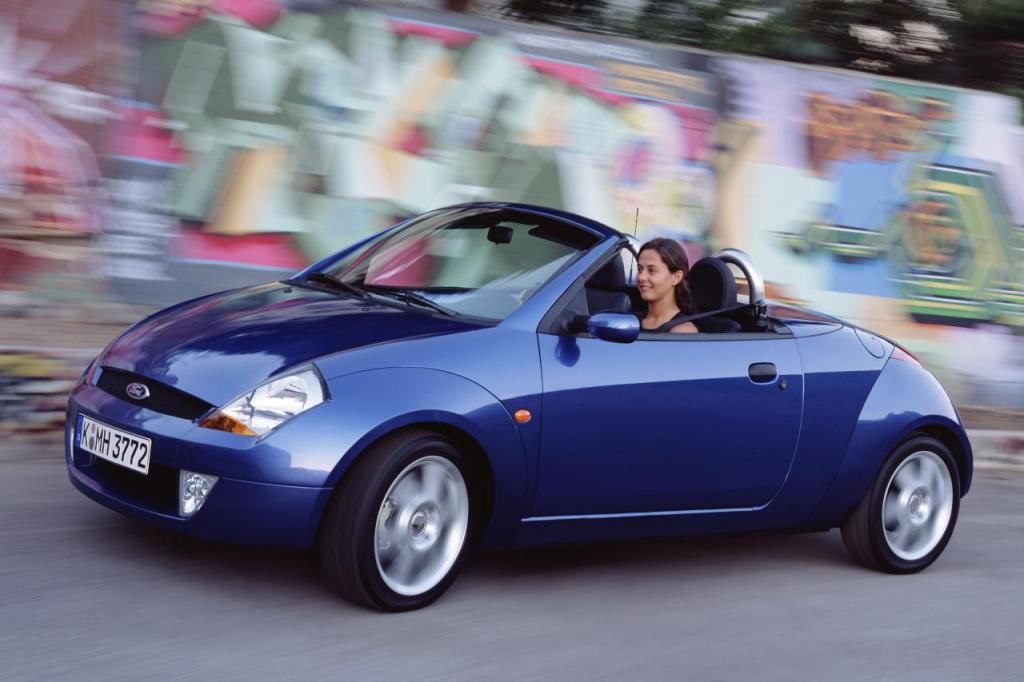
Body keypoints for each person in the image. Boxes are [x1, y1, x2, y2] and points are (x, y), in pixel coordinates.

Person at [636, 238, 698, 334]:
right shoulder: (631, 321)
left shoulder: (683, 330)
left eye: (652, 270)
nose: (641, 277)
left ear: (677, 277)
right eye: (640, 269)